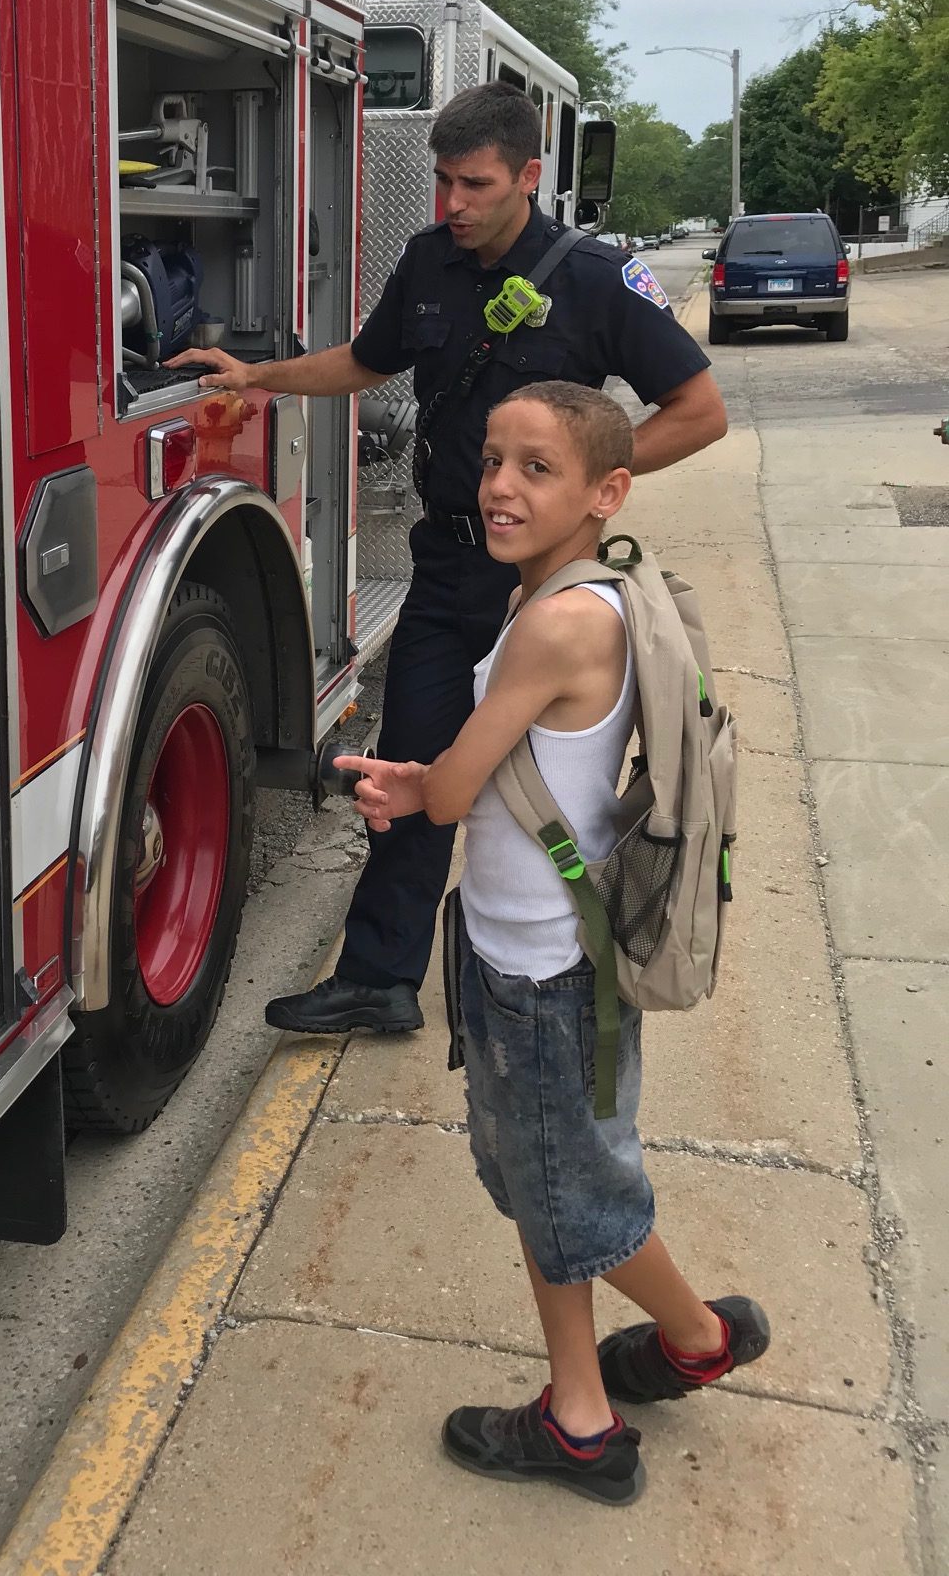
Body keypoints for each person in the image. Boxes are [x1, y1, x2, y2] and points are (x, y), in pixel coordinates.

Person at [169, 81, 727, 1036]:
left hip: (540, 580)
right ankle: (382, 979)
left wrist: (582, 481)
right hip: (445, 566)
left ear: (528, 177)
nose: (454, 205)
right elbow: (366, 360)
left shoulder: (594, 276)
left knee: (547, 790)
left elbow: (700, 411)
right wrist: (260, 377)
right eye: (442, 183)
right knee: (412, 766)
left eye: (474, 184)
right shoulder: (430, 261)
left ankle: (564, 972)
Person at [334, 382, 768, 1503]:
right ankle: (581, 1399)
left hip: (540, 971)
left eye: (536, 468)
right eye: (491, 460)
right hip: (537, 953)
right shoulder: (605, 589)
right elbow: (491, 782)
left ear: (604, 491)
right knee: (548, 1184)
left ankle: (690, 1342)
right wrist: (429, 785)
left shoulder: (553, 622)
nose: (498, 487)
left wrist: (407, 789)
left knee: (577, 1199)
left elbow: (453, 797)